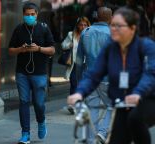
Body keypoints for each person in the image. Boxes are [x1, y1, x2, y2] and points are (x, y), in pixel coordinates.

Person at [68, 7, 155, 144]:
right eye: (113, 25)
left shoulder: (146, 47)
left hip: (146, 99)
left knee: (136, 121)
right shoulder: (111, 46)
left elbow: (150, 74)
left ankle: (103, 133)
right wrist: (80, 91)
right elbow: (95, 73)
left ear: (132, 28)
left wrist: (138, 92)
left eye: (119, 26)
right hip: (120, 100)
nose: (114, 29)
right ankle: (98, 137)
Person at [8, 2, 55, 144]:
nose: (29, 17)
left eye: (32, 14)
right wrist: (20, 49)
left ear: (37, 14)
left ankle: (41, 122)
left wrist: (39, 49)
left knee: (39, 103)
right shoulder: (18, 29)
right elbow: (10, 50)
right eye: (27, 15)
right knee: (23, 101)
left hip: (39, 73)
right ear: (23, 15)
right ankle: (25, 134)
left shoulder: (44, 28)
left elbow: (52, 50)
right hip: (22, 72)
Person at [76, 7, 112, 144]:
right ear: (110, 18)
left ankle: (91, 140)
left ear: (97, 17)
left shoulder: (85, 32)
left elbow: (79, 60)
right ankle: (103, 132)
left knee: (92, 110)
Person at [61, 16, 90, 95]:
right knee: (74, 85)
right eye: (81, 25)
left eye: (85, 25)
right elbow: (63, 45)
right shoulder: (71, 35)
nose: (83, 27)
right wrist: (69, 45)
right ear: (77, 25)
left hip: (86, 64)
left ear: (88, 26)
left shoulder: (90, 35)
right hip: (74, 64)